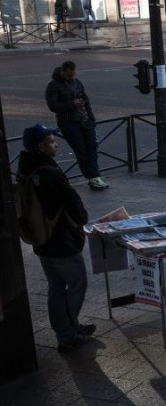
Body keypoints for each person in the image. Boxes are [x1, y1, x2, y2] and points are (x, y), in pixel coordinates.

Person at [17, 124, 96, 353]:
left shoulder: (26, 169)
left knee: (56, 286)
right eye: (51, 141)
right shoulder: (49, 172)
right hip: (61, 240)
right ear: (41, 147)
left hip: (41, 238)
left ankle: (68, 329)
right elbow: (73, 205)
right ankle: (68, 333)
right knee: (77, 282)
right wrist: (81, 219)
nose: (56, 144)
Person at [45, 60, 109, 190]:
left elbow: (86, 99)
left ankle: (95, 175)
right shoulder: (53, 85)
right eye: (69, 75)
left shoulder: (77, 82)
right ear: (62, 71)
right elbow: (53, 106)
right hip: (69, 122)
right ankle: (92, 177)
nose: (71, 77)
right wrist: (71, 105)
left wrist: (91, 117)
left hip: (85, 120)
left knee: (92, 147)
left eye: (73, 75)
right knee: (81, 150)